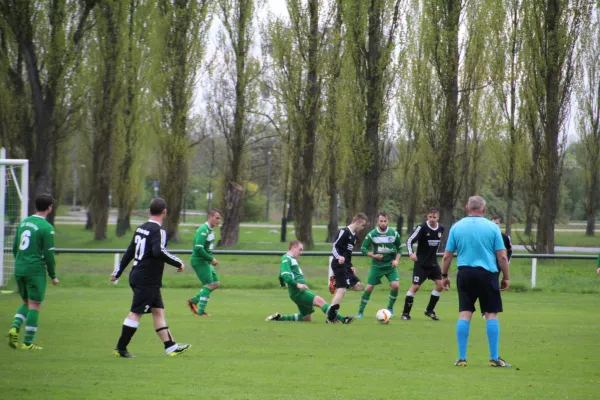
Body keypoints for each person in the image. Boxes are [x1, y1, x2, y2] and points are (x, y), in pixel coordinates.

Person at [111, 198, 190, 358]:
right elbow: (158, 251)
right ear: (165, 212)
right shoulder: (158, 231)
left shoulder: (141, 228)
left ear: (149, 211)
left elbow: (129, 251)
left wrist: (118, 272)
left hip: (143, 277)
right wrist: (178, 262)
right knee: (135, 313)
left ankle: (170, 346)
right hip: (146, 279)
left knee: (158, 311)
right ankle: (121, 348)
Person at [441, 195, 511, 368]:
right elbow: (502, 256)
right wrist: (506, 277)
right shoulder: (492, 228)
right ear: (484, 209)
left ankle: (461, 358)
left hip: (465, 274)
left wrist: (444, 275)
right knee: (491, 314)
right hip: (488, 274)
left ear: (467, 208)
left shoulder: (457, 227)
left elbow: (447, 255)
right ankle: (494, 358)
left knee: (465, 313)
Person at [7, 194, 58, 351]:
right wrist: (53, 275)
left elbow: (15, 247)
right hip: (35, 270)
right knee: (35, 304)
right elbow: (49, 254)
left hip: (19, 267)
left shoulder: (24, 223)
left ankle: (15, 327)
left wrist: (21, 262)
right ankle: (28, 342)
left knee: (26, 302)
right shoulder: (47, 228)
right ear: (49, 207)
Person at [266, 240, 355, 324]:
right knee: (320, 301)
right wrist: (297, 285)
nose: (301, 253)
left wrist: (282, 284)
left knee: (306, 318)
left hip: (297, 291)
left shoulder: (290, 259)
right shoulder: (286, 258)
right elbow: (285, 275)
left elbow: (280, 275)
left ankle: (279, 318)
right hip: (298, 291)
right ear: (293, 247)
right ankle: (342, 319)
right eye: (300, 250)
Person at [402, 208, 445, 321]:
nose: (431, 219)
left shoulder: (441, 228)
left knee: (440, 285)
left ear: (438, 218)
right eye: (430, 217)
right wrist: (411, 253)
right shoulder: (421, 228)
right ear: (427, 216)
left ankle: (429, 311)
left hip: (433, 264)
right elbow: (409, 241)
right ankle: (405, 313)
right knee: (415, 286)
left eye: (434, 217)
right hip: (421, 264)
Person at [356, 212, 402, 318]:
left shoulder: (393, 233)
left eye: (385, 221)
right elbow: (363, 249)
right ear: (377, 222)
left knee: (395, 286)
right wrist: (374, 256)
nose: (383, 223)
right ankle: (360, 312)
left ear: (388, 221)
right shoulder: (372, 234)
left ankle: (390, 308)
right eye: (381, 221)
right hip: (377, 266)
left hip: (390, 266)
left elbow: (399, 248)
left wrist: (396, 260)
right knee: (368, 288)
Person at [328, 213, 368, 322]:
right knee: (342, 291)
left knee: (359, 286)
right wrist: (338, 257)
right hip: (338, 264)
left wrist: (351, 266)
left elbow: (348, 254)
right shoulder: (343, 232)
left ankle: (336, 281)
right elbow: (334, 247)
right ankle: (330, 318)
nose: (362, 228)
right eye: (362, 225)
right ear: (358, 222)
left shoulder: (354, 237)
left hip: (346, 266)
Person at [187, 208, 222, 317]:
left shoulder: (210, 230)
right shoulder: (203, 230)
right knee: (209, 285)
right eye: (216, 218)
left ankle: (194, 301)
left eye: (219, 218)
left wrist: (209, 259)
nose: (218, 220)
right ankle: (200, 312)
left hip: (205, 261)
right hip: (199, 261)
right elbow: (198, 248)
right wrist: (211, 259)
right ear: (210, 217)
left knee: (216, 283)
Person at [483, 216, 513, 318]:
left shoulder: (504, 237)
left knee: (493, 286)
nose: (495, 225)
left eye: (497, 223)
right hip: (485, 264)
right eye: (493, 223)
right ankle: (486, 309)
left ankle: (490, 309)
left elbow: (510, 249)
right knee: (484, 286)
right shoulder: (485, 236)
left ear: (500, 224)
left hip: (497, 265)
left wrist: (506, 262)